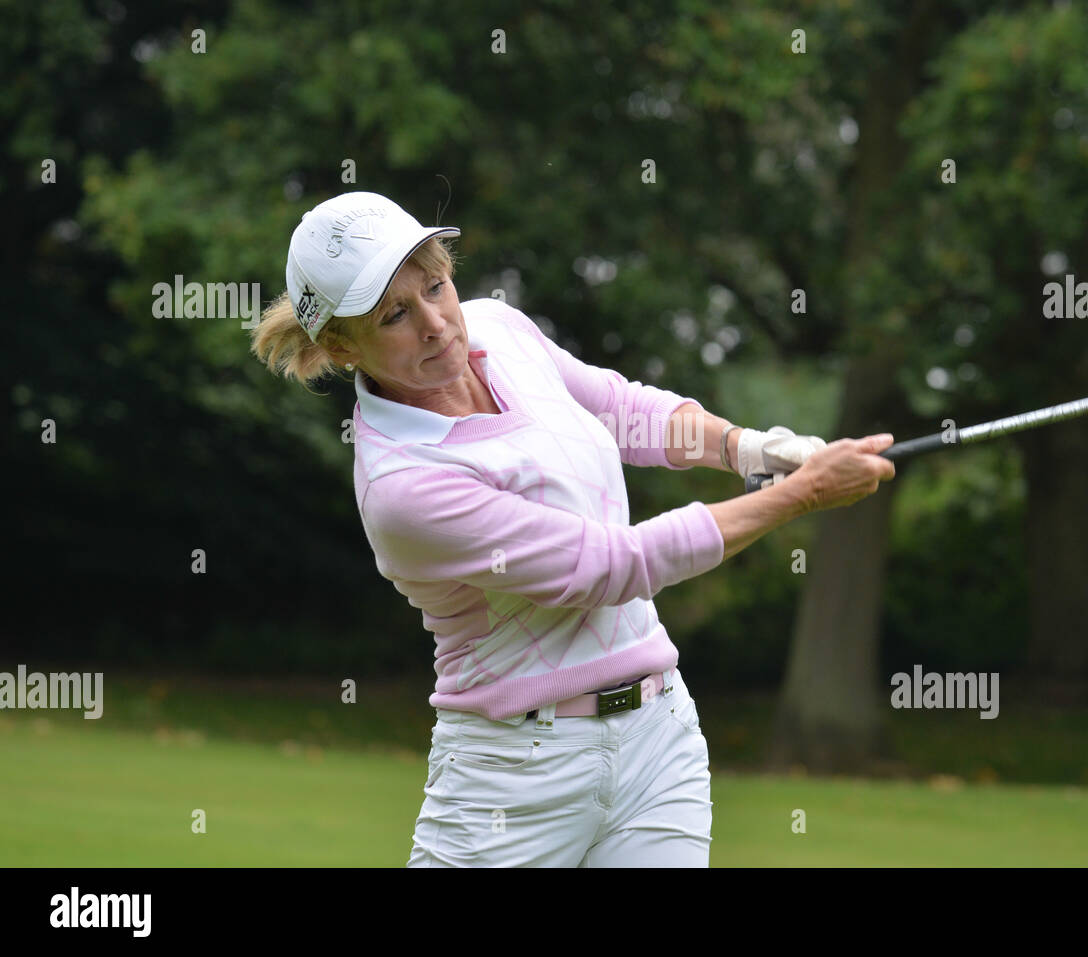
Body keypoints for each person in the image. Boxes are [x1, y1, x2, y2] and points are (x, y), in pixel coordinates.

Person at [250, 190, 896, 867]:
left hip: (657, 743)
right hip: (512, 777)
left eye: (436, 286)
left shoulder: (497, 326)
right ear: (341, 345)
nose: (438, 324)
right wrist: (801, 495)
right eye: (395, 316)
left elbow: (619, 408)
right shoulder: (403, 487)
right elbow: (610, 567)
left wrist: (754, 449)